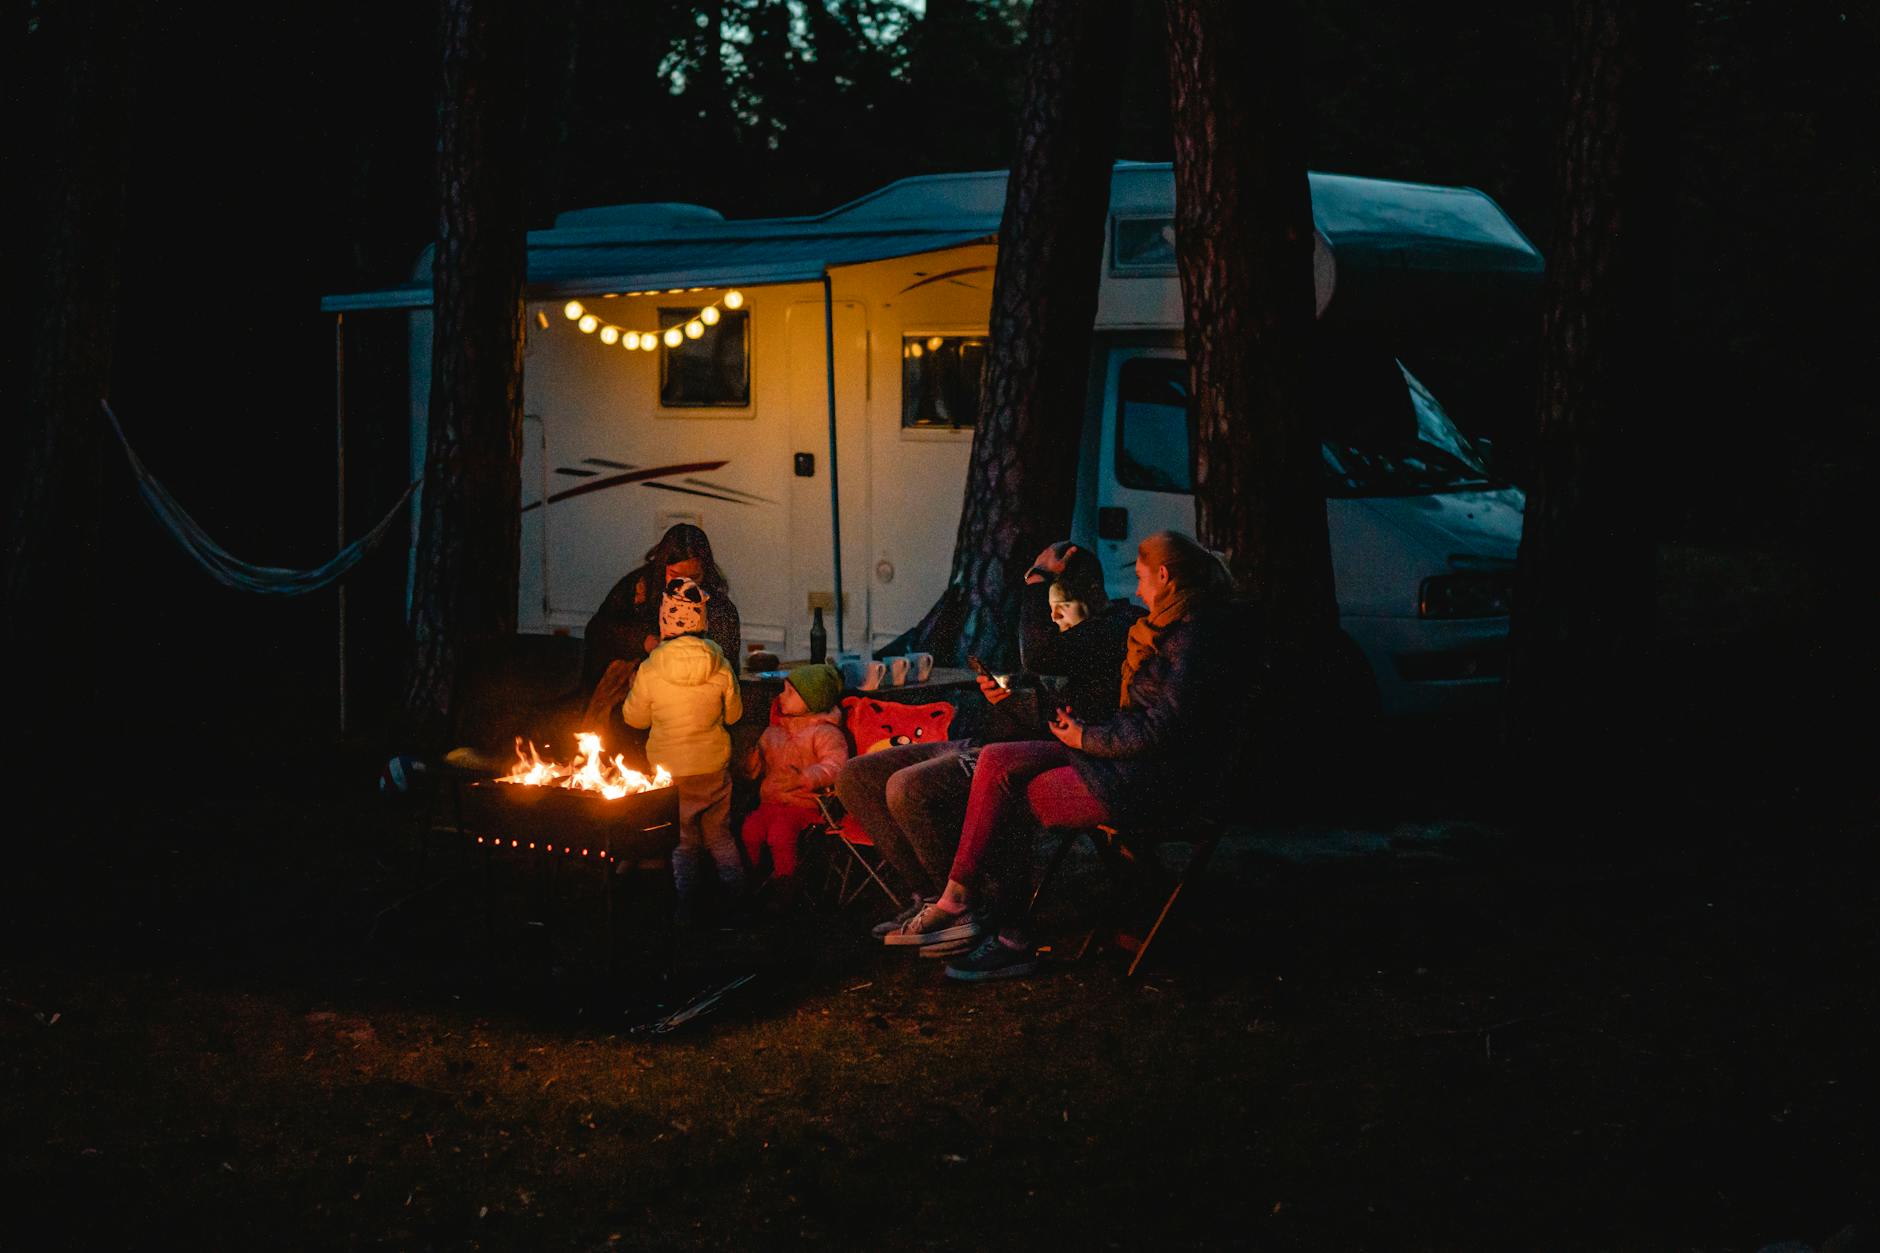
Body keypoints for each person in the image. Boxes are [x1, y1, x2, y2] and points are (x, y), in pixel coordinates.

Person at [880, 531, 1237, 982]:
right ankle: (960, 901)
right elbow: (1140, 717)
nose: (1139, 589)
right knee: (998, 763)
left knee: (1009, 788)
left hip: (1153, 783)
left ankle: (1009, 936)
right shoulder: (1165, 629)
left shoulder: (1191, 638)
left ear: (1165, 577)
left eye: (1144, 578)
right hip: (1123, 763)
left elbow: (1161, 728)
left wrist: (1086, 737)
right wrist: (1052, 720)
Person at [835, 540, 1143, 939]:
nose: (1050, 617)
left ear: (1091, 598)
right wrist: (1010, 700)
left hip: (1048, 755)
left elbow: (1043, 665)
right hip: (1004, 741)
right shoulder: (1075, 635)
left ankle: (967, 905)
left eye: (1059, 609)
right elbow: (1045, 707)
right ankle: (929, 896)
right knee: (856, 776)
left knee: (906, 787)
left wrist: (1035, 580)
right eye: (1047, 608)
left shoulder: (1112, 630)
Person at [622, 575, 745, 925]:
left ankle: (687, 907)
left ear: (665, 619)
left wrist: (635, 690)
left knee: (684, 842)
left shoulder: (650, 669)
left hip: (670, 771)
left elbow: (634, 719)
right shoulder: (719, 664)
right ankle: (736, 901)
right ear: (702, 619)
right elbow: (734, 715)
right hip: (712, 768)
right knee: (720, 836)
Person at [582, 524, 742, 766]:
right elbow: (599, 629)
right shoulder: (638, 589)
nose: (685, 585)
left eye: (695, 578)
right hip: (637, 699)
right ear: (662, 567)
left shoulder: (719, 607)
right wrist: (643, 641)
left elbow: (727, 664)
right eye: (676, 577)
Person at [737, 663, 848, 912]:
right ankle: (751, 881)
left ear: (811, 701)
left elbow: (836, 767)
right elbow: (757, 769)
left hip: (804, 804)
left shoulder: (825, 733)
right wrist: (751, 766)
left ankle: (786, 887)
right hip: (771, 802)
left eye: (789, 692)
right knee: (750, 830)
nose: (780, 696)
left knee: (779, 834)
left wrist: (805, 777)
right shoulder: (773, 732)